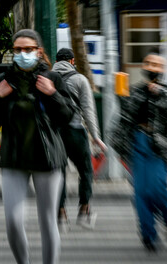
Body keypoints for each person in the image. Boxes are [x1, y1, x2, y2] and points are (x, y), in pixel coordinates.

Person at [0, 29, 73, 264]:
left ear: (38, 51)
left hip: (48, 160)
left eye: (28, 49)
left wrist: (53, 94)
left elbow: (67, 117)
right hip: (14, 159)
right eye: (18, 50)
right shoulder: (2, 80)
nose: (22, 54)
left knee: (47, 221)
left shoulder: (52, 79)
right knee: (12, 221)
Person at [118, 51, 167, 252]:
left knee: (158, 190)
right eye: (148, 64)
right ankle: (148, 234)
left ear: (163, 70)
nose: (152, 68)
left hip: (158, 146)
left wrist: (159, 94)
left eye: (157, 65)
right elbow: (125, 117)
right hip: (137, 142)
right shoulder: (136, 91)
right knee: (140, 193)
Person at [52, 48, 107, 232]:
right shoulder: (80, 79)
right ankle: (84, 211)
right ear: (72, 61)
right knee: (86, 171)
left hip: (54, 134)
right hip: (75, 132)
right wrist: (96, 137)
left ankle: (60, 214)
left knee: (59, 174)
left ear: (57, 60)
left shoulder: (47, 78)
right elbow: (88, 112)